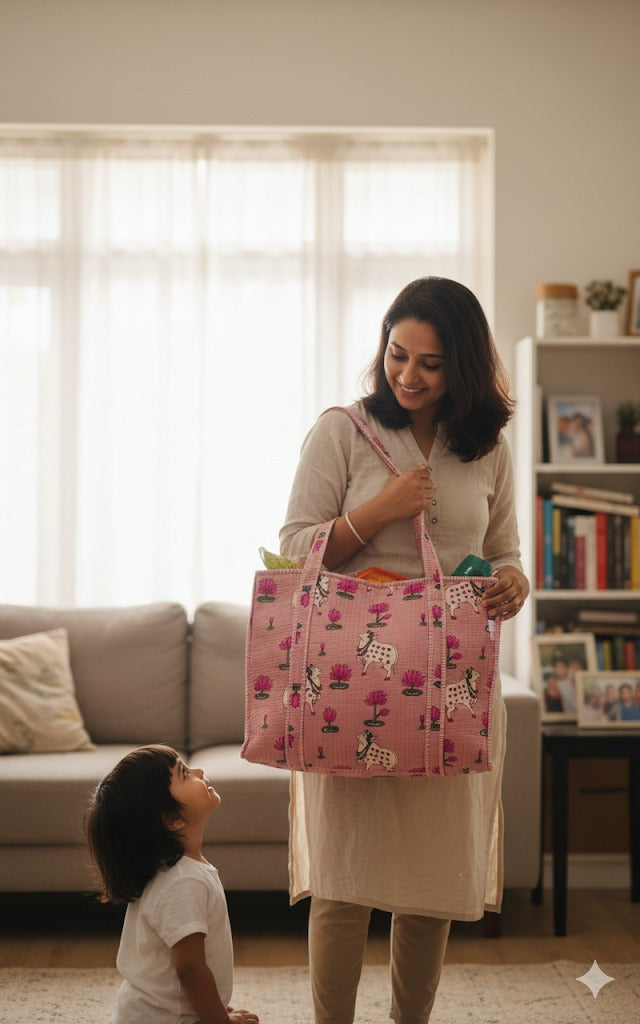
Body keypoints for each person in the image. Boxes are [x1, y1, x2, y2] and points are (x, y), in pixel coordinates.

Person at [280, 276, 529, 1024]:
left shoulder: (487, 449)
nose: (409, 376)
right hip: (356, 689)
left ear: (465, 366)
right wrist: (376, 513)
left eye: (431, 363)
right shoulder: (342, 432)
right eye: (397, 354)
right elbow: (294, 551)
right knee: (344, 881)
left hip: (452, 686)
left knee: (433, 881)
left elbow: (505, 552)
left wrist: (513, 586)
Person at [86, 744, 259, 1024]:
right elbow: (189, 969)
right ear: (172, 819)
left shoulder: (176, 870)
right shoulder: (184, 881)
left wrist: (210, 1008)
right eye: (185, 774)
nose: (200, 771)